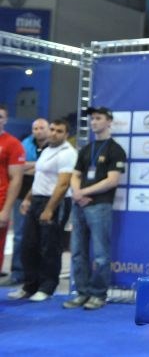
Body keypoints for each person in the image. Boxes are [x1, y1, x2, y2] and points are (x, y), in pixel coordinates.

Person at [62, 107, 126, 311]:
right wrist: (77, 192)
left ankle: (98, 294)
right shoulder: (86, 149)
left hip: (100, 206)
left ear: (109, 121)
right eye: (92, 119)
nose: (94, 122)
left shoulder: (115, 149)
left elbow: (112, 180)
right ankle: (81, 292)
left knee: (100, 254)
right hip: (79, 206)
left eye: (98, 118)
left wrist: (83, 192)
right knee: (77, 252)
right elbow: (75, 174)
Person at [7, 119, 77, 301]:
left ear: (66, 134)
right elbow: (40, 177)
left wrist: (49, 209)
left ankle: (47, 287)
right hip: (37, 199)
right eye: (52, 129)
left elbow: (63, 184)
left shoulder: (68, 153)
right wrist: (28, 198)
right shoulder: (47, 150)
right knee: (28, 245)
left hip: (55, 201)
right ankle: (30, 286)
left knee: (49, 247)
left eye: (59, 131)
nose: (54, 133)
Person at [0, 118, 50, 286]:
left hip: (46, 196)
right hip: (22, 196)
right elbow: (19, 168)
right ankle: (17, 272)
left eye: (42, 128)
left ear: (48, 129)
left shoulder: (54, 146)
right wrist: (38, 165)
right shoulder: (25, 144)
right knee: (19, 235)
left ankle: (41, 275)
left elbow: (48, 169)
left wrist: (34, 167)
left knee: (44, 237)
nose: (38, 131)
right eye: (35, 128)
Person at [0, 105, 26, 275]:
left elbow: (16, 179)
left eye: (0, 116)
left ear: (6, 120)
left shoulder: (13, 144)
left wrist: (6, 210)